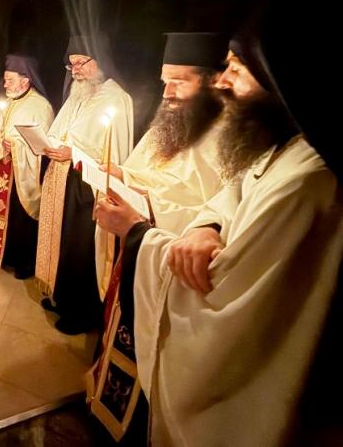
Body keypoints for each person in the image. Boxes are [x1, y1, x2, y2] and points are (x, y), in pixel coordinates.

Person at [130, 34, 343, 446]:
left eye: (236, 68)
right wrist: (206, 227)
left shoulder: (308, 178)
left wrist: (139, 236)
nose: (222, 80)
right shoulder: (282, 146)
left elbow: (227, 300)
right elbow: (231, 194)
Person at [88, 31, 229, 441]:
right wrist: (121, 175)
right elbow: (145, 172)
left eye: (179, 81)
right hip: (138, 250)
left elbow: (215, 216)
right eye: (165, 80)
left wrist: (146, 206)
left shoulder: (229, 138)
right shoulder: (167, 122)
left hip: (171, 269)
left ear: (212, 81)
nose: (166, 92)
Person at [35, 35, 133, 334]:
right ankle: (61, 297)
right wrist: (49, 144)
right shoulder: (77, 94)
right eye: (71, 64)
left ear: (100, 61)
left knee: (81, 249)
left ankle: (81, 314)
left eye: (80, 63)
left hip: (89, 188)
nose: (75, 70)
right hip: (64, 178)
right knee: (63, 243)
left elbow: (113, 155)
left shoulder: (117, 99)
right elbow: (59, 131)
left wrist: (73, 153)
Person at [0, 55, 53, 277]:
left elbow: (43, 146)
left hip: (22, 173)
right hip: (1, 167)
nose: (5, 85)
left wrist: (16, 146)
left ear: (25, 80)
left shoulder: (41, 106)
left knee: (20, 218)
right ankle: (2, 254)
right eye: (5, 80)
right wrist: (0, 146)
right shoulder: (9, 102)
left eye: (9, 80)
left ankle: (23, 263)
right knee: (2, 213)